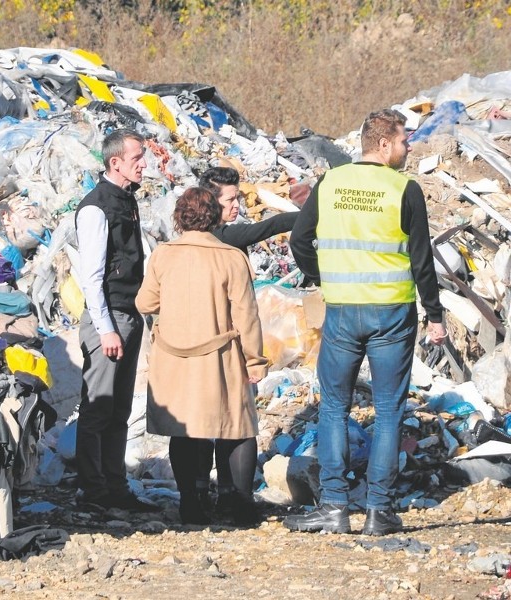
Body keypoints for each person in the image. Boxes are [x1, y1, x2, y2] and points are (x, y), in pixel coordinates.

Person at [286, 109, 446, 536]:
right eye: (404, 140)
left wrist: (322, 275)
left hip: (342, 311)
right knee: (390, 409)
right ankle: (379, 510)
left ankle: (335, 506)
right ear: (383, 145)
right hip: (392, 313)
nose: (408, 147)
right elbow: (421, 259)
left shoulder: (330, 183)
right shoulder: (403, 189)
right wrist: (435, 314)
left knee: (335, 407)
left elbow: (299, 240)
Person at [135, 187, 268, 525]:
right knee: (237, 427)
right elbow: (246, 316)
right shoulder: (231, 257)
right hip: (218, 355)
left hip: (174, 356)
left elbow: (145, 303)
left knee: (186, 428)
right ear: (213, 216)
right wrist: (255, 360)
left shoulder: (163, 255)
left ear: (180, 217)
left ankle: (190, 501)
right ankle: (238, 503)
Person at [195, 166, 305, 517]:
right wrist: (303, 217)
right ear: (210, 202)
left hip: (204, 343)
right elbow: (262, 229)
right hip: (221, 343)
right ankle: (233, 499)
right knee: (234, 420)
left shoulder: (193, 238)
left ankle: (202, 497)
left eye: (239, 198)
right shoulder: (218, 239)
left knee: (209, 422)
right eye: (230, 199)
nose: (237, 205)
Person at [74, 128, 157, 511]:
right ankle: (94, 491)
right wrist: (106, 329)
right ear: (116, 162)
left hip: (129, 316)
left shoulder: (126, 200)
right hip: (109, 320)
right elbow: (91, 276)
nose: (144, 164)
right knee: (98, 408)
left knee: (119, 409)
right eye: (137, 158)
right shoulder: (96, 207)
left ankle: (115, 487)